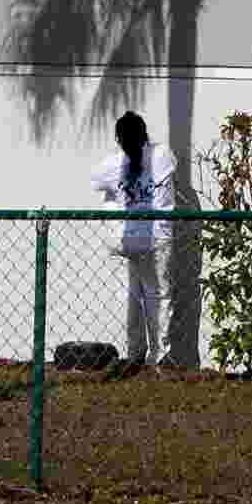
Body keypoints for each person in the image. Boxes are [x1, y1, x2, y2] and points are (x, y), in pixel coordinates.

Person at [109, 108, 163, 367]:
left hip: (141, 240)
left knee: (141, 296)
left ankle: (144, 353)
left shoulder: (126, 162)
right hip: (142, 240)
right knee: (145, 295)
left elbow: (99, 185)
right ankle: (147, 353)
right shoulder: (143, 159)